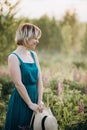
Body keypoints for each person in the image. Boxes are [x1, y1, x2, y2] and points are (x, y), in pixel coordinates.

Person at [4, 23, 44, 130]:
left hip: (35, 96)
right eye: (35, 38)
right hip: (22, 100)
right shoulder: (13, 57)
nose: (37, 41)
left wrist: (39, 101)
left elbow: (39, 79)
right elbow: (18, 83)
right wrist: (30, 104)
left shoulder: (33, 55)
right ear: (26, 37)